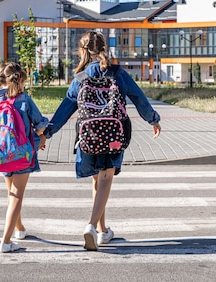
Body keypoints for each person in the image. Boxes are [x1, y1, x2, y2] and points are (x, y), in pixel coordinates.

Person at [43, 31, 161, 251]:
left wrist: (47, 133)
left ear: (82, 51)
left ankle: (102, 230)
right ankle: (90, 226)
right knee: (106, 177)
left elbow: (65, 108)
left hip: (89, 135)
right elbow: (138, 97)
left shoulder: (80, 78)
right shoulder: (117, 73)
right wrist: (153, 119)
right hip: (114, 135)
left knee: (97, 180)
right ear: (104, 48)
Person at [0, 62, 49, 253]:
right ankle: (6, 241)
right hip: (21, 155)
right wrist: (41, 136)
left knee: (11, 194)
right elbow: (40, 124)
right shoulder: (24, 100)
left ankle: (19, 228)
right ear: (19, 82)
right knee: (17, 196)